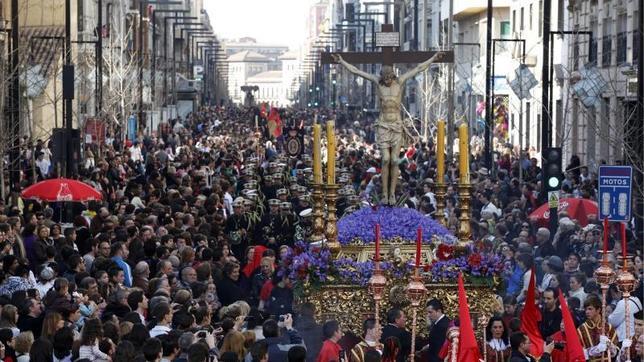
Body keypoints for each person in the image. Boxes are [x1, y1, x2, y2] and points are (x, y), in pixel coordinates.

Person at [577, 294, 618, 361]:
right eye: (586, 309)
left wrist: (610, 345)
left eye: (590, 309)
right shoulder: (581, 329)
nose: (587, 312)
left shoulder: (609, 327)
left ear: (598, 310)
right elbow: (579, 353)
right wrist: (595, 350)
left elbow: (615, 352)